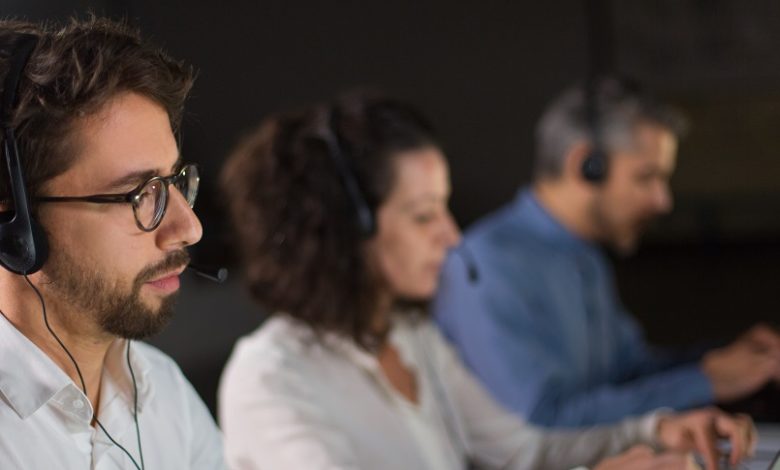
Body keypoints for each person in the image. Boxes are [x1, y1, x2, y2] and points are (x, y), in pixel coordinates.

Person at [218, 91, 755, 470]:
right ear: (344, 230)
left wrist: (655, 431)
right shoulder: (270, 380)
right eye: (425, 215)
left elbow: (523, 452)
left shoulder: (412, 340)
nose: (452, 239)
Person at [433, 77, 780, 428]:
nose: (663, 201)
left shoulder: (585, 257)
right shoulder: (487, 265)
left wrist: (727, 360)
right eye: (646, 178)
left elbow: (627, 374)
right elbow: (543, 422)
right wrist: (705, 382)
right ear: (586, 165)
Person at [0, 17, 225, 468]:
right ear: (15, 220)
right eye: (141, 194)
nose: (189, 228)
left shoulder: (165, 390)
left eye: (174, 182)